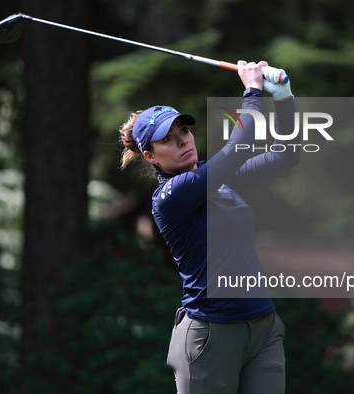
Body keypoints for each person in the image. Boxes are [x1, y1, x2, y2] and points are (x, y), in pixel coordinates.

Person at [119, 60, 298, 393]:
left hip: (262, 325)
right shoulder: (171, 196)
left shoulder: (216, 179)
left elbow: (285, 155)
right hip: (211, 334)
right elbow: (236, 150)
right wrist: (252, 91)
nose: (183, 141)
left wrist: (285, 98)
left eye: (184, 131)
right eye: (169, 140)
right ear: (150, 156)